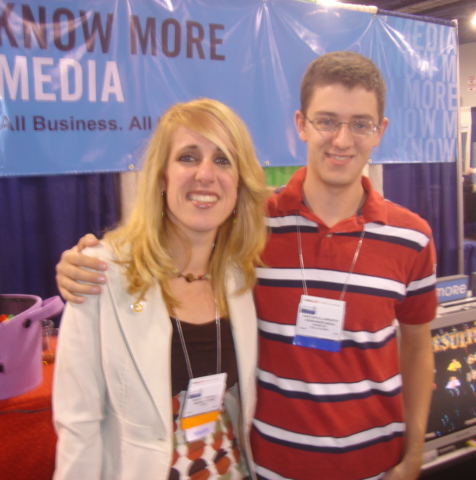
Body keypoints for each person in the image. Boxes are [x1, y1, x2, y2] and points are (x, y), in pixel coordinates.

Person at [56, 51, 438, 480]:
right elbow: (79, 422)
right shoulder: (256, 230)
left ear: (380, 131)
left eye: (360, 124)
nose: (343, 140)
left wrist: (415, 449)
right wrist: (87, 260)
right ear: (301, 125)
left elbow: (418, 348)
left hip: (372, 464)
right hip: (271, 467)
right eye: (327, 121)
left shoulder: (411, 236)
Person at [52, 98, 269, 480]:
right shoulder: (100, 272)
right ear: (162, 178)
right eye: (188, 157)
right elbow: (78, 425)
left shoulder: (244, 276)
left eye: (223, 160)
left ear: (239, 183)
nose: (205, 174)